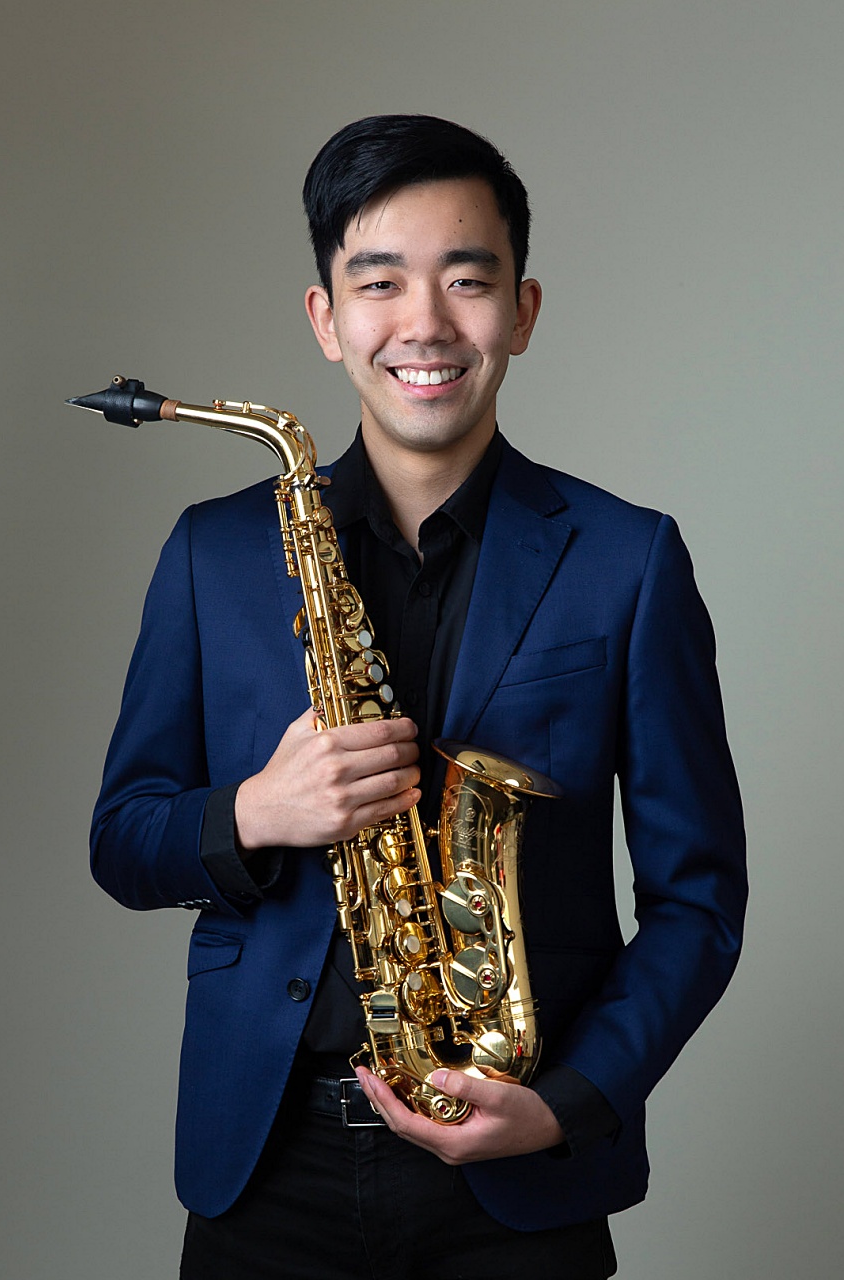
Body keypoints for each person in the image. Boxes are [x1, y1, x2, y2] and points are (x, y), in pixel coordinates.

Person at [90, 115, 747, 1279]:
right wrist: (256, 811)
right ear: (325, 318)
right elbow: (124, 838)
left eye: (467, 280)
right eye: (380, 281)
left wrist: (568, 1100)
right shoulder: (210, 552)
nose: (426, 324)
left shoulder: (627, 558)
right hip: (264, 1165)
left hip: (518, 1171)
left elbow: (697, 898)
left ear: (522, 312)